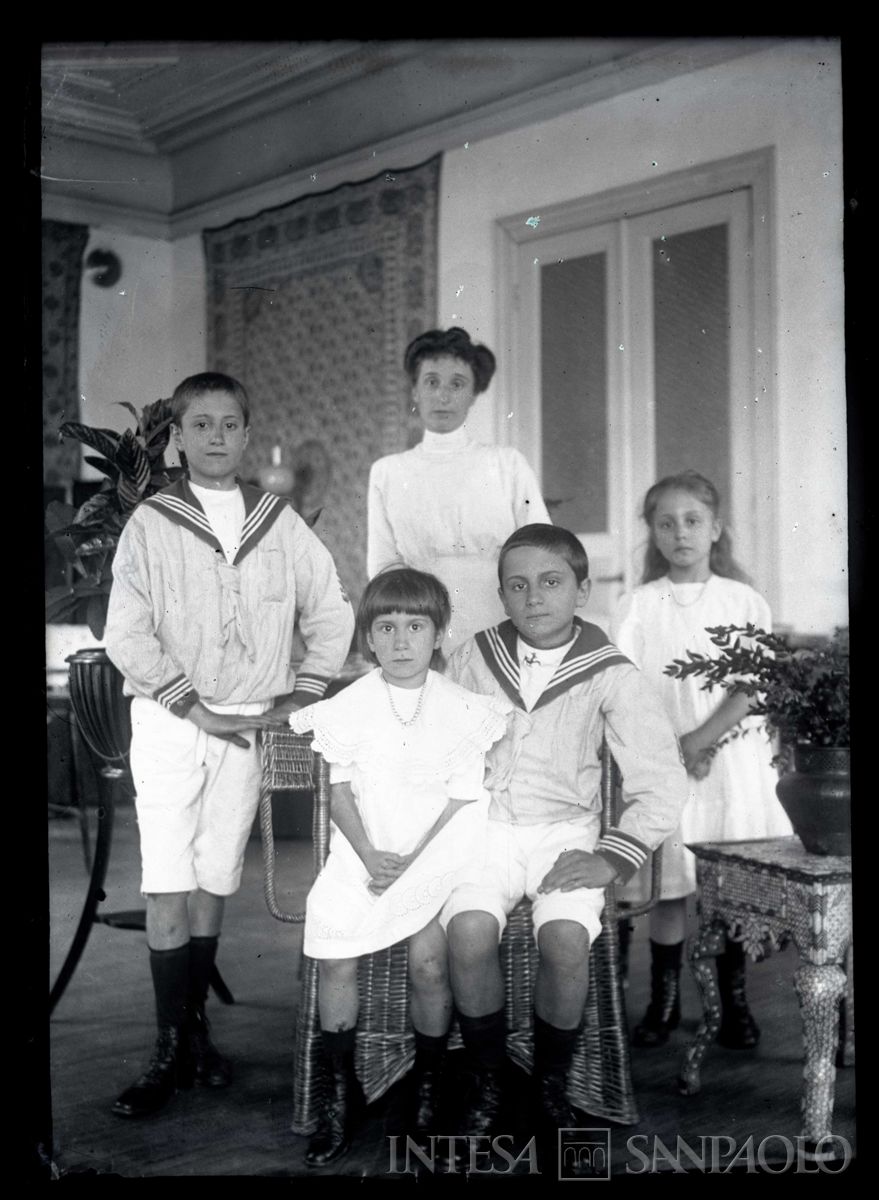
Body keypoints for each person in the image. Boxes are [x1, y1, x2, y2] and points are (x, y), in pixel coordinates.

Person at [103, 371, 354, 1119]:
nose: (216, 437)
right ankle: (165, 1046)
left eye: (230, 424)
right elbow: (125, 631)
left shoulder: (279, 521)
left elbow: (331, 609)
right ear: (177, 439)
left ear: (246, 434)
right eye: (201, 425)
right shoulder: (151, 521)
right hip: (171, 716)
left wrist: (303, 693)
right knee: (167, 878)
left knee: (216, 873)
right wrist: (190, 706)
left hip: (248, 718)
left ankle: (195, 1034)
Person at [439, 523, 688, 1145]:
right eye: (516, 586)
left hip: (564, 835)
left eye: (551, 582)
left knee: (565, 939)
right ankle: (490, 1076)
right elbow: (435, 744)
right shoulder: (473, 655)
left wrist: (613, 856)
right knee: (468, 934)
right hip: (484, 827)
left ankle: (550, 1082)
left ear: (581, 591)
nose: (533, 598)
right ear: (500, 594)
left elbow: (661, 780)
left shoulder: (610, 671)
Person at [289, 567, 510, 1168]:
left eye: (417, 626)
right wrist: (369, 857)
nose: (402, 640)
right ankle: (339, 1089)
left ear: (439, 634)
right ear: (369, 636)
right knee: (333, 947)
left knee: (429, 958)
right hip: (362, 853)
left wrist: (410, 863)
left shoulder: (463, 708)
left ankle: (429, 1081)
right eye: (386, 627)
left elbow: (464, 800)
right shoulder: (350, 705)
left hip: (436, 854)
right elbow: (336, 794)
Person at [610, 470, 793, 1050]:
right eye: (666, 523)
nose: (680, 533)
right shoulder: (637, 605)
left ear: (716, 528)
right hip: (664, 763)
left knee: (728, 885)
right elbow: (626, 688)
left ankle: (734, 1001)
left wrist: (701, 739)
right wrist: (669, 747)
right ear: (652, 534)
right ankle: (663, 1002)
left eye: (692, 521)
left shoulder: (743, 601)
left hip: (728, 761)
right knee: (669, 883)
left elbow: (751, 686)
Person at [367, 326, 551, 654]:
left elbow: (540, 554)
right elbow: (383, 567)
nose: (443, 396)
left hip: (498, 620)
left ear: (474, 394)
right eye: (432, 382)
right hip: (421, 626)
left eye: (457, 384)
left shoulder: (506, 463)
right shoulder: (388, 472)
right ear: (414, 391)